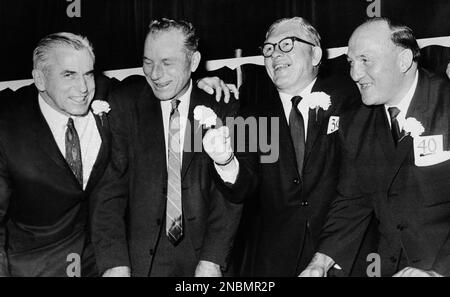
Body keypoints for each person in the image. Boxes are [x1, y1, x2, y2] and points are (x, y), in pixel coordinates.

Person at [91, 18, 252, 277]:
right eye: (147, 62)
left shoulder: (225, 105)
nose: (155, 74)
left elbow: (233, 195)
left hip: (206, 261)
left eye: (167, 63)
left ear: (194, 62)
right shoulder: (123, 106)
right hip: (139, 263)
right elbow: (108, 194)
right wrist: (114, 263)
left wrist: (213, 259)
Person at [203, 17, 361, 277]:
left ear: (315, 55)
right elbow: (243, 186)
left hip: (346, 258)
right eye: (268, 48)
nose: (275, 54)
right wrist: (224, 161)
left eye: (286, 44)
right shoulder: (252, 116)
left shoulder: (352, 100)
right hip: (277, 263)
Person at [301, 17, 450, 277]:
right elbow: (352, 200)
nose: (355, 74)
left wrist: (438, 271)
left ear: (403, 61)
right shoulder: (356, 121)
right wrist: (321, 261)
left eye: (365, 60)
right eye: (351, 63)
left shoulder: (446, 103)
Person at [0, 32, 111, 276]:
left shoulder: (105, 94)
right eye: (68, 75)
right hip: (34, 265)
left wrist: (203, 82)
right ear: (40, 79)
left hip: (98, 259)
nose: (83, 88)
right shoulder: (7, 127)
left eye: (88, 74)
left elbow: (150, 84)